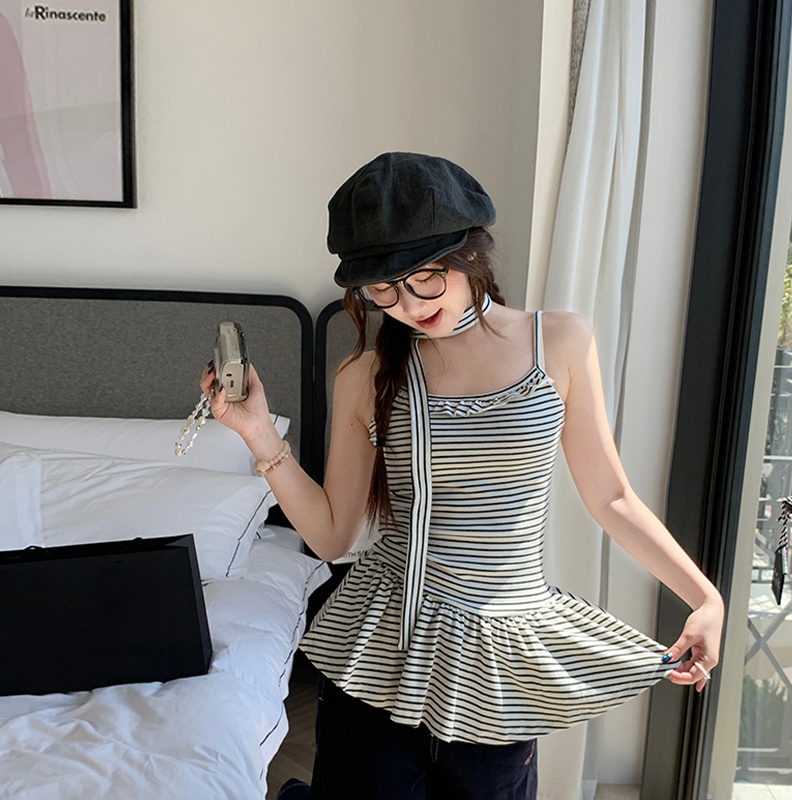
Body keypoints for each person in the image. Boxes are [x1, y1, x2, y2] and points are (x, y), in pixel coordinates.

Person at [201, 152, 725, 800]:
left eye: (425, 277)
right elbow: (333, 537)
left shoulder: (559, 343)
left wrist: (705, 597)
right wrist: (258, 433)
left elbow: (612, 497)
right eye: (382, 290)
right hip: (378, 656)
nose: (406, 305)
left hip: (497, 667)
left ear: (472, 252)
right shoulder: (365, 376)